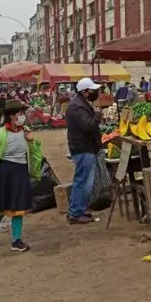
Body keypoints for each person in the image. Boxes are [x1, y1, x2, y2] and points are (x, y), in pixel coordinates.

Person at [0, 99, 41, 251]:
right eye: (20, 113)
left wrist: (31, 141)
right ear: (12, 116)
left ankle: (16, 240)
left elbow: (34, 153)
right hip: (4, 173)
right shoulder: (0, 135)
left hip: (21, 172)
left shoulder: (25, 130)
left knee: (18, 208)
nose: (23, 116)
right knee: (1, 206)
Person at [65, 77, 103, 225]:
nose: (96, 93)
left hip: (84, 146)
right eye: (93, 90)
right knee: (82, 182)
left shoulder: (80, 103)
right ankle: (75, 213)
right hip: (83, 148)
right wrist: (98, 116)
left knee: (83, 181)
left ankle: (78, 210)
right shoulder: (77, 107)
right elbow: (88, 125)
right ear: (85, 92)